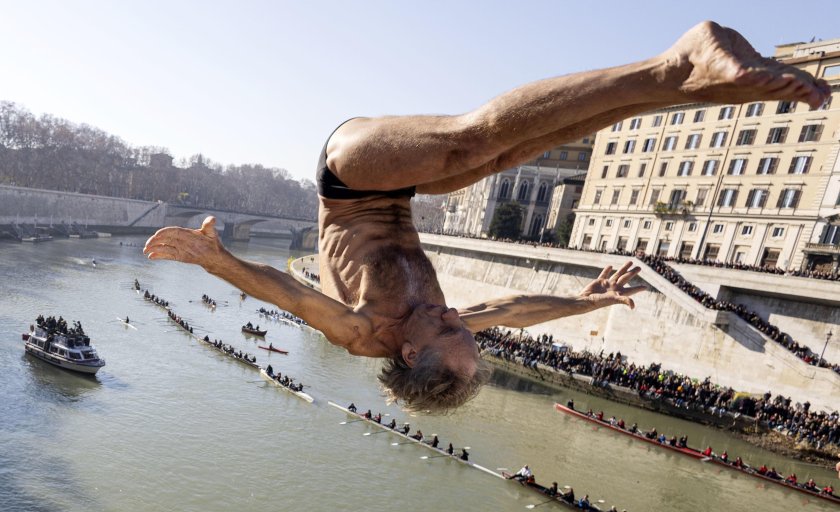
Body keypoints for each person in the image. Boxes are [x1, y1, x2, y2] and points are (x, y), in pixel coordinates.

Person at [141, 22, 828, 413]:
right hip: (402, 191)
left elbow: (285, 292)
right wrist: (587, 300)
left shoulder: (361, 332)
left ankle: (680, 58)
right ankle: (687, 85)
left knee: (472, 138)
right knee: (519, 148)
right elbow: (515, 308)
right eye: (460, 327)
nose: (455, 317)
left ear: (409, 353)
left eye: (448, 328)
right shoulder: (440, 332)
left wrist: (219, 260)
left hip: (347, 176)